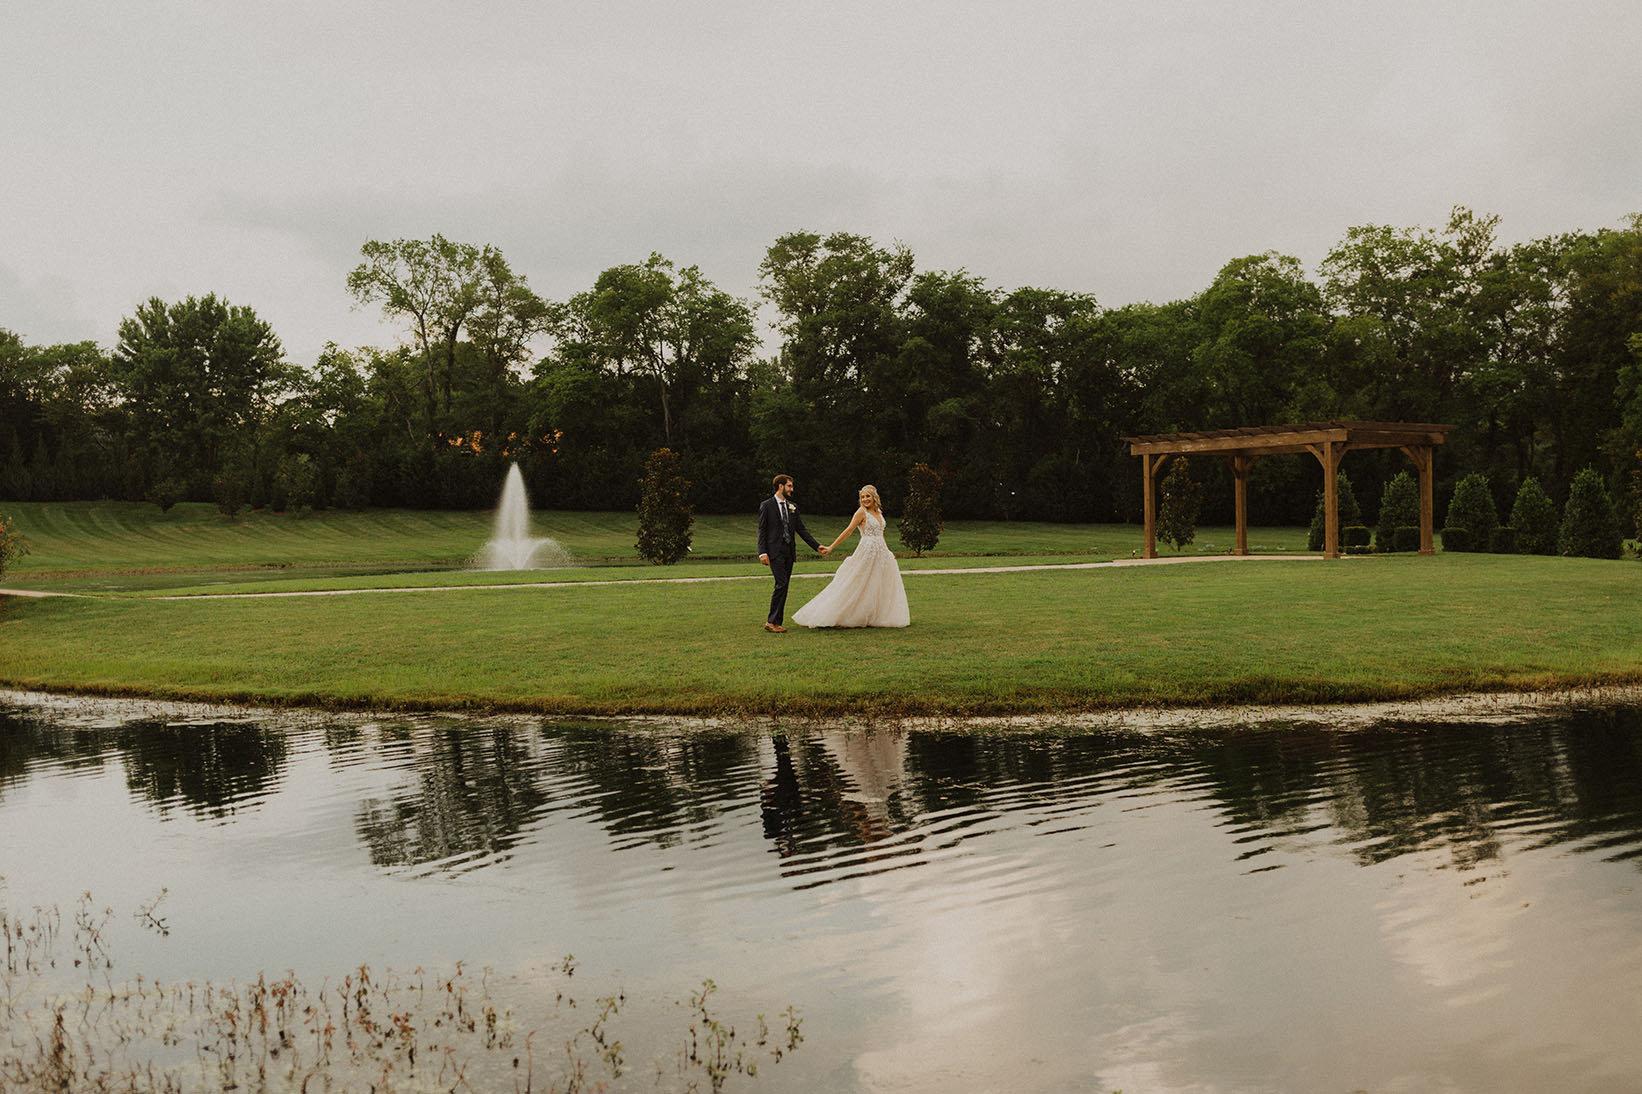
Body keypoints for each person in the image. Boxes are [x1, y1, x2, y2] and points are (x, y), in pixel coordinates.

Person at [791, 484, 910, 628]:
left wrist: (888, 552)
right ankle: (841, 614)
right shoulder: (861, 512)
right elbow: (848, 531)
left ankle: (874, 615)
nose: (865, 499)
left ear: (874, 497)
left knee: (877, 583)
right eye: (862, 497)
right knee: (858, 581)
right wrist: (831, 547)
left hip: (881, 553)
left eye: (867, 496)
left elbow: (881, 534)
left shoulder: (879, 512)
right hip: (867, 550)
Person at [758, 474, 829, 633]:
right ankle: (771, 621)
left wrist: (817, 547)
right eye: (789, 486)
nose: (792, 489)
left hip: (789, 552)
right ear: (780, 486)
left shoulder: (793, 507)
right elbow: (762, 531)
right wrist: (762, 552)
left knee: (784, 585)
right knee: (781, 583)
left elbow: (801, 530)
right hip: (774, 552)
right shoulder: (767, 505)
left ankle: (776, 622)